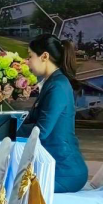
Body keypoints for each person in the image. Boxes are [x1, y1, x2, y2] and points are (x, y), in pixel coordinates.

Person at [20, 34, 88, 193]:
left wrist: (6, 130)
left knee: (11, 187)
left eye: (30, 56)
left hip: (64, 172)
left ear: (44, 56)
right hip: (53, 165)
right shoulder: (52, 82)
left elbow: (41, 131)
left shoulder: (58, 86)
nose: (28, 61)